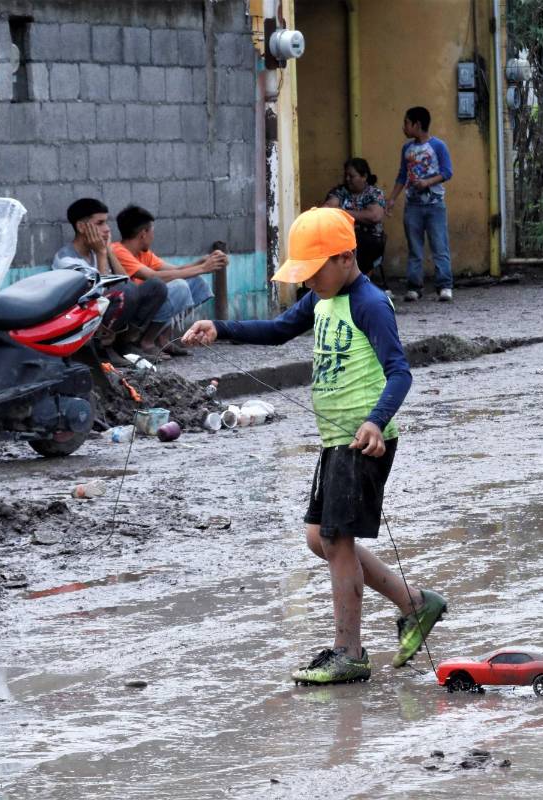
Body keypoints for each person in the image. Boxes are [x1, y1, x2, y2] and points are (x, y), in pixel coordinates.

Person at [182, 207, 447, 685]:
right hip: (334, 440)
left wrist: (374, 421)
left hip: (364, 441)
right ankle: (414, 602)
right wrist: (220, 328)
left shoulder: (369, 303)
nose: (308, 283)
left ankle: (349, 651)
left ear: (346, 258)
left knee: (335, 539)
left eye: (314, 271)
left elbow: (400, 372)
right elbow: (279, 329)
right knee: (318, 538)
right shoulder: (321, 299)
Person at [52, 198, 169, 358]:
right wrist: (101, 254)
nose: (107, 229)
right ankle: (102, 348)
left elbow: (125, 281)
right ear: (81, 227)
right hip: (83, 322)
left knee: (156, 286)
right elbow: (96, 297)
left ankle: (124, 344)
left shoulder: (96, 250)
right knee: (124, 292)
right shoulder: (67, 260)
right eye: (100, 223)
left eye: (106, 223)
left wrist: (108, 252)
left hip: (104, 311)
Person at [111, 205, 226, 357]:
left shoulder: (144, 253)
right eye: (152, 231)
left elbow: (177, 270)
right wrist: (204, 268)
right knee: (179, 286)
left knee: (196, 283)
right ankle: (146, 342)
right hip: (134, 315)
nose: (153, 235)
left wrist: (203, 261)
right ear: (143, 234)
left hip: (149, 308)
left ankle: (163, 339)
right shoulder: (118, 251)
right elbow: (152, 276)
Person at [385, 106, 454, 303]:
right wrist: (392, 199)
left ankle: (445, 285)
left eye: (406, 122)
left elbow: (447, 172)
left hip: (435, 205)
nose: (403, 127)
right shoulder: (406, 149)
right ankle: (414, 287)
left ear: (417, 124)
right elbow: (402, 175)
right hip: (412, 206)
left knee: (439, 246)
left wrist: (427, 183)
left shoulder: (438, 146)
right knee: (415, 247)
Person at [323, 158, 388, 293]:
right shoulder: (340, 191)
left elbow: (374, 216)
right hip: (342, 237)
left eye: (351, 176)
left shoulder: (374, 193)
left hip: (369, 238)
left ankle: (358, 285)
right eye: (346, 175)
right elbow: (327, 208)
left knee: (359, 245)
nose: (347, 179)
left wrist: (342, 212)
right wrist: (359, 215)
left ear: (364, 177)